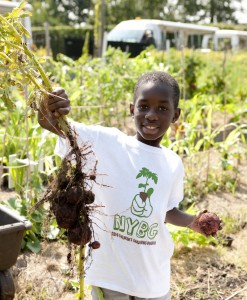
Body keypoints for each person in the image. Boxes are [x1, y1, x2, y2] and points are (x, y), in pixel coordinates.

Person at [38, 71, 221, 300]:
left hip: (152, 280)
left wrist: (193, 222)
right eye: (144, 107)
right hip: (110, 276)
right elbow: (54, 125)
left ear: (176, 115)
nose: (152, 115)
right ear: (132, 109)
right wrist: (51, 106)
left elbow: (165, 210)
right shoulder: (106, 143)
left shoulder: (172, 163)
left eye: (162, 109)